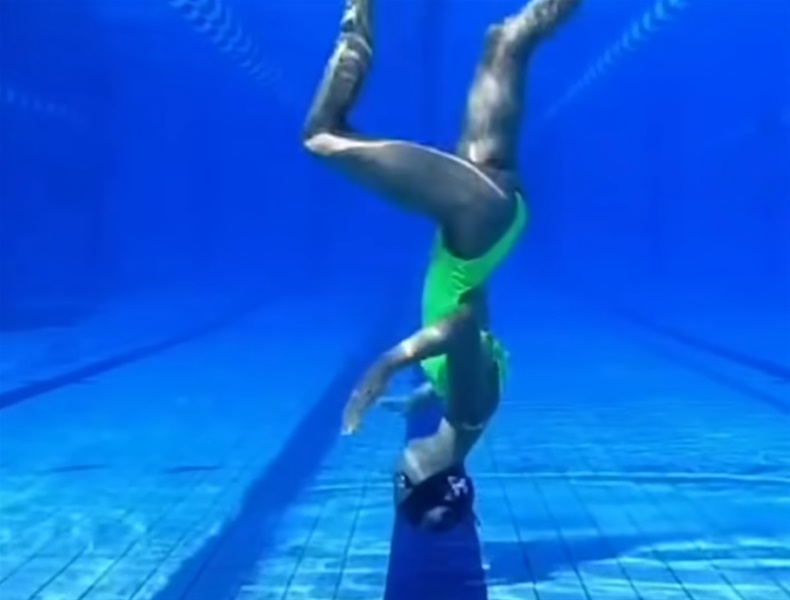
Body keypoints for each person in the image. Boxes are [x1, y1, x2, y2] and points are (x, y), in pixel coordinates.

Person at [303, 0, 582, 531]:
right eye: (397, 486)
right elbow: (462, 325)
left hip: (486, 222)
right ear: (413, 480)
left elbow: (472, 321)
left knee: (506, 41)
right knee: (321, 137)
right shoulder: (469, 408)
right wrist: (386, 366)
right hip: (475, 218)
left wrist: (431, 387)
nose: (393, 476)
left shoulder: (466, 411)